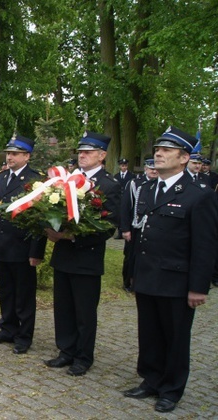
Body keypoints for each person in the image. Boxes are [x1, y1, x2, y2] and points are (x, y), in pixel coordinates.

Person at [122, 126, 218, 413]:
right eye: (157, 150)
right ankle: (151, 379)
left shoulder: (198, 194)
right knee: (149, 332)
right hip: (148, 274)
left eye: (166, 150)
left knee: (175, 337)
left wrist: (198, 286)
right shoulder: (149, 188)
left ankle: (171, 389)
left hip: (176, 279)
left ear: (184, 157)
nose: (158, 154)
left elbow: (205, 245)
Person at [43, 131, 120, 376]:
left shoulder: (109, 185)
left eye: (88, 151)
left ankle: (83, 357)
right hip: (63, 253)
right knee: (63, 307)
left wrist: (73, 235)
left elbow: (108, 226)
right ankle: (66, 351)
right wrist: (50, 227)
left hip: (87, 257)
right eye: (80, 151)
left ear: (102, 155)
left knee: (84, 312)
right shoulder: (67, 179)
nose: (82, 155)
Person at [0, 135, 46, 354]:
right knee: (6, 290)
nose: (10, 157)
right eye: (9, 153)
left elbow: (40, 219)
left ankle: (24, 335)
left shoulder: (36, 180)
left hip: (23, 246)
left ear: (26, 156)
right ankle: (7, 328)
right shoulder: (0, 178)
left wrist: (36, 250)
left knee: (24, 294)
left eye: (15, 154)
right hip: (2, 244)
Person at [120, 158, 157, 292]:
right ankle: (128, 281)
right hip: (135, 226)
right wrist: (125, 229)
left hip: (151, 228)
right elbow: (125, 207)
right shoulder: (135, 183)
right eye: (151, 168)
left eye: (156, 168)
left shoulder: (160, 184)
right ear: (145, 169)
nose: (154, 171)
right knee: (131, 255)